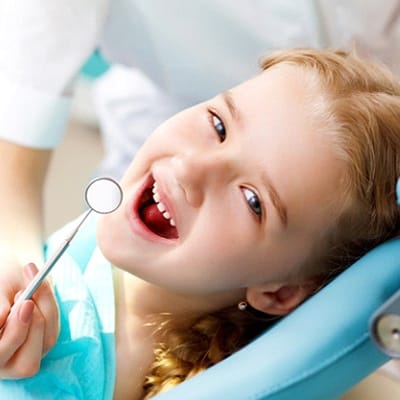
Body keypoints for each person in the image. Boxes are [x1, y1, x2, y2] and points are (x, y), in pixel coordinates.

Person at [0, 48, 399, 399]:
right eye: (219, 125)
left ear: (279, 293)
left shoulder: (65, 376)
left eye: (252, 200)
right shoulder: (102, 254)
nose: (190, 167)